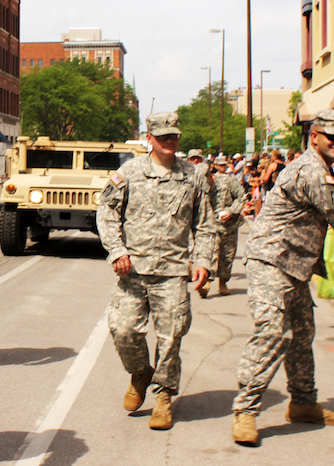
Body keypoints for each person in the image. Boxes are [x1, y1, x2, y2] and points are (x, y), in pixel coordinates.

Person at [231, 110, 334, 447]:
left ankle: (304, 403)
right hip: (272, 260)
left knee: (302, 336)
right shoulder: (312, 170)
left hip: (294, 264)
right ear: (314, 137)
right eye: (332, 137)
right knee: (271, 334)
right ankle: (245, 411)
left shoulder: (324, 170)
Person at [97, 112, 216, 431]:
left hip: (173, 272)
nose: (170, 141)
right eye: (162, 136)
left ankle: (163, 396)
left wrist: (204, 261)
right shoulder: (130, 172)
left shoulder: (193, 175)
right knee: (123, 332)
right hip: (132, 271)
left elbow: (205, 225)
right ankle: (139, 371)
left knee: (171, 336)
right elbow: (106, 213)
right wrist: (117, 250)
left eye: (174, 136)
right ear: (148, 138)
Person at [203, 155, 245, 297]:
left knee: (227, 255)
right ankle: (207, 280)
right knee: (210, 253)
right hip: (212, 224)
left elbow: (241, 197)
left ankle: (223, 282)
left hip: (229, 225)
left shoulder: (231, 181)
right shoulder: (208, 180)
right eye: (219, 165)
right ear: (215, 165)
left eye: (224, 165)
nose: (222, 167)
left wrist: (231, 211)